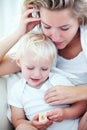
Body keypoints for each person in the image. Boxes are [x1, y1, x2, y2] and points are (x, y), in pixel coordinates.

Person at [0, 0, 87, 130]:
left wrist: (79, 92)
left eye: (64, 28)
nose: (55, 37)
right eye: (47, 26)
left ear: (80, 19)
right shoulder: (41, 48)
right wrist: (19, 32)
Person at [8, 32, 86, 130]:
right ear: (19, 62)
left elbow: (82, 104)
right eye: (30, 68)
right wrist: (32, 124)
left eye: (44, 69)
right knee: (22, 128)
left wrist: (65, 114)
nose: (37, 74)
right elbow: (17, 120)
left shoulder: (57, 80)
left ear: (51, 65)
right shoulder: (17, 89)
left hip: (76, 127)